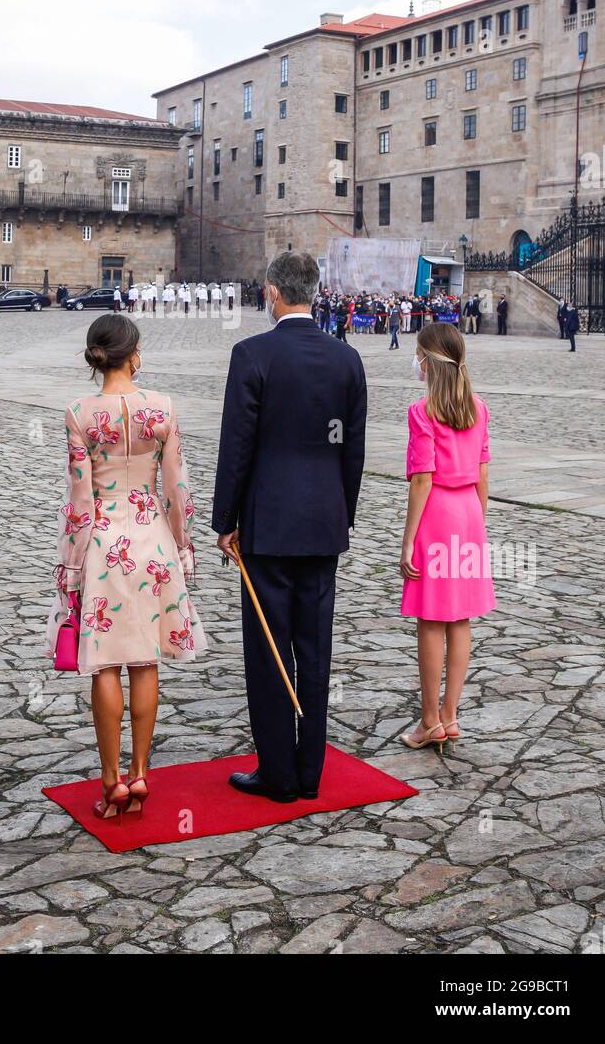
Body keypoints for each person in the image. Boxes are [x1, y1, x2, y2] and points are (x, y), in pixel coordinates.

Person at [212, 251, 367, 802]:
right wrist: (340, 515)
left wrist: (224, 522)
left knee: (268, 648)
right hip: (322, 524)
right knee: (314, 649)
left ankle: (278, 773)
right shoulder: (346, 359)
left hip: (268, 524)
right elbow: (352, 452)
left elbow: (238, 446)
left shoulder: (253, 354)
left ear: (273, 293)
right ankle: (310, 771)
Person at [44, 314, 206, 821]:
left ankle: (111, 779)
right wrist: (183, 546)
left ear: (96, 357)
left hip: (103, 541)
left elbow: (78, 498)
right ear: (135, 353)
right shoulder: (163, 408)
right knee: (146, 658)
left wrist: (69, 566)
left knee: (107, 660)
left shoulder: (79, 412)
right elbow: (177, 488)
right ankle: (140, 771)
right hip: (151, 536)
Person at [399, 322, 494, 750]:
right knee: (461, 619)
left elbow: (422, 479)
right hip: (469, 513)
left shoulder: (423, 412)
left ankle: (429, 719)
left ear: (428, 361)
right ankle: (452, 715)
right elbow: (483, 473)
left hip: (437, 513)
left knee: (431, 619)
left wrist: (407, 540)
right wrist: (480, 523)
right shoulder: (478, 408)